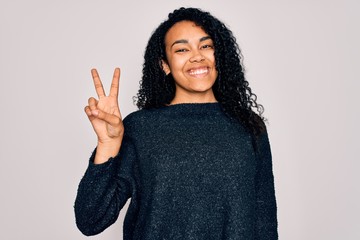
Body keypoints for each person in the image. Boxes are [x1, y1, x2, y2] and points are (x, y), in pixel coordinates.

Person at [74, 7, 278, 239]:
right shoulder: (140, 128)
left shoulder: (248, 126)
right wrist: (108, 144)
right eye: (182, 49)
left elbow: (265, 222)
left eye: (206, 45)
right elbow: (90, 220)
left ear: (219, 54)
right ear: (165, 65)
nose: (197, 55)